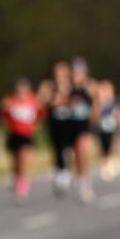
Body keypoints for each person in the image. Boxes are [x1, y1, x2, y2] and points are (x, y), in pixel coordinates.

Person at [0, 77, 42, 202]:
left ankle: (22, 187)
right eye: (19, 90)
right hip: (14, 135)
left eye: (24, 89)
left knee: (23, 160)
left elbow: (41, 114)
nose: (22, 92)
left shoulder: (33, 100)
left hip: (26, 136)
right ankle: (18, 180)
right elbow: (2, 115)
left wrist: (35, 126)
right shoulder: (10, 100)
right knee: (15, 163)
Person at [38, 61, 74, 197]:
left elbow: (76, 100)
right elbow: (41, 101)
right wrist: (53, 98)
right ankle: (59, 172)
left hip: (68, 122)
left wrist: (63, 99)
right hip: (54, 122)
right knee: (56, 148)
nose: (60, 75)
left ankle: (66, 171)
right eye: (57, 72)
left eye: (62, 72)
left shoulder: (71, 86)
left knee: (67, 149)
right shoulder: (48, 85)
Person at [67, 57, 96, 202]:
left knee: (82, 151)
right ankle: (79, 177)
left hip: (84, 125)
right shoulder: (67, 87)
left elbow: (97, 102)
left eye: (79, 72)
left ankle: (84, 182)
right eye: (74, 72)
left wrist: (93, 118)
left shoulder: (89, 86)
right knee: (74, 155)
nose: (76, 74)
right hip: (69, 125)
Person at [95, 79, 120, 181]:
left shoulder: (114, 102)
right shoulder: (98, 103)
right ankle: (105, 162)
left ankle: (113, 160)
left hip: (112, 127)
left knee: (112, 143)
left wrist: (119, 118)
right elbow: (95, 117)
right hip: (101, 128)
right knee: (103, 145)